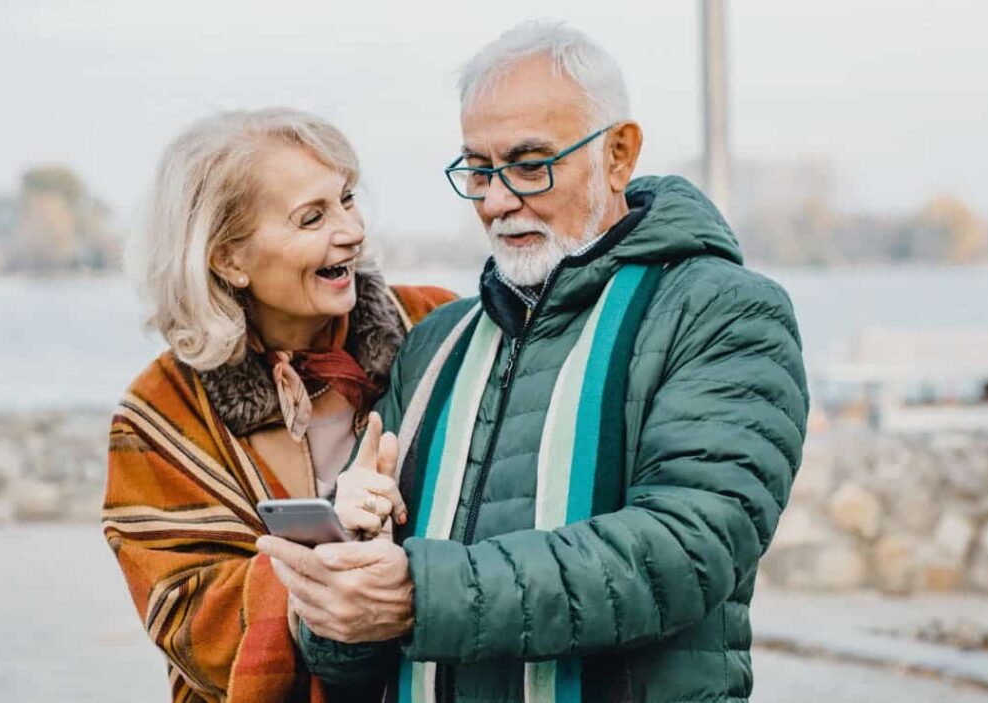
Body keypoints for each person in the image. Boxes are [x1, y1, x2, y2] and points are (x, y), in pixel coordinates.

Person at [260, 21, 809, 702]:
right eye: (478, 170)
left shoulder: (720, 311)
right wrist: (341, 574)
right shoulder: (437, 343)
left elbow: (683, 551)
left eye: (528, 165)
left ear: (618, 154)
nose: (495, 200)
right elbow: (347, 661)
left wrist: (418, 593)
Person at [101, 108, 455, 703]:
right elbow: (187, 624)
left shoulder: (438, 325)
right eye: (312, 217)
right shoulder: (158, 415)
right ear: (228, 259)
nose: (351, 230)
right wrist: (331, 539)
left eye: (346, 199)